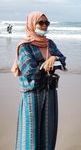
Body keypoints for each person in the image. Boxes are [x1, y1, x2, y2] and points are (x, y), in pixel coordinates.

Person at [11, 11, 66, 150]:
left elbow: (63, 59)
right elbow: (29, 70)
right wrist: (47, 64)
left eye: (46, 23)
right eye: (40, 22)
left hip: (50, 91)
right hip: (32, 92)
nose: (44, 25)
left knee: (48, 129)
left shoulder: (49, 43)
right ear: (31, 23)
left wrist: (55, 58)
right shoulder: (24, 46)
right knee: (31, 130)